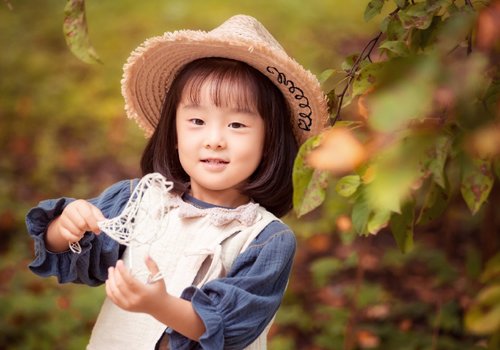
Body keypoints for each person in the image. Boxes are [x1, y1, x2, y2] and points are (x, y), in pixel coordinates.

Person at [26, 14, 328, 349]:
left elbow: (231, 327)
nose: (214, 140)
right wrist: (64, 229)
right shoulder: (138, 202)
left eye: (237, 125)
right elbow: (81, 258)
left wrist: (158, 305)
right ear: (173, 133)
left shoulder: (264, 240)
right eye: (197, 121)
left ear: (270, 142)